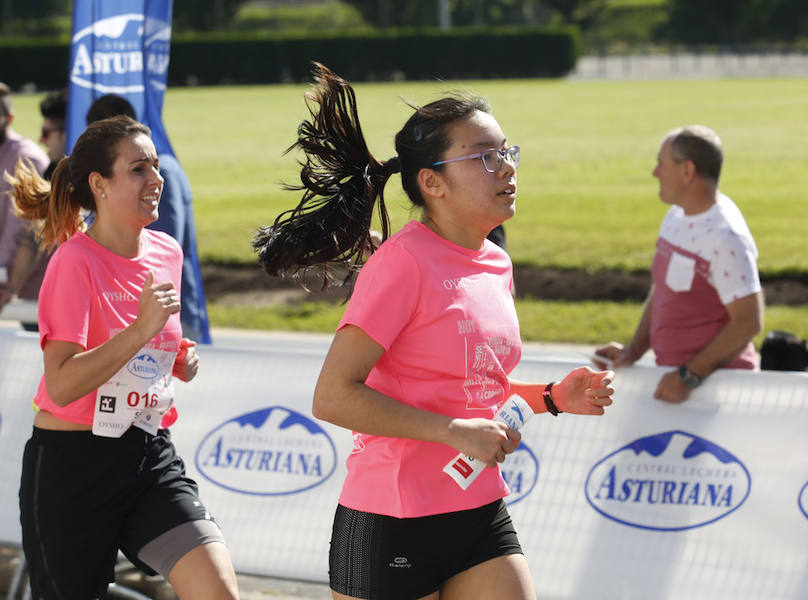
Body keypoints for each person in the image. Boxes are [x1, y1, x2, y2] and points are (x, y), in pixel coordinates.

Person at [254, 63, 615, 600]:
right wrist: (451, 432)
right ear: (433, 182)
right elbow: (332, 397)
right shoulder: (401, 264)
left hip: (476, 510)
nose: (507, 169)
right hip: (390, 518)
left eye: (508, 153)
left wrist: (551, 397)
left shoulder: (495, 262)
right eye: (485, 158)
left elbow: (471, 391)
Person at [7, 115, 238, 599]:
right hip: (72, 468)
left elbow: (156, 342)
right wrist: (140, 331)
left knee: (217, 589)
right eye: (139, 168)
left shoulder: (166, 252)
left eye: (155, 166)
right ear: (100, 184)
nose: (157, 178)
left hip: (147, 452)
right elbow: (63, 384)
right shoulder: (73, 262)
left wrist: (176, 357)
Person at [594, 125, 763, 403]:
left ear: (687, 171)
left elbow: (748, 322)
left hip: (716, 394)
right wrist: (633, 350)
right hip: (677, 387)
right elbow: (663, 290)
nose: (655, 172)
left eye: (662, 164)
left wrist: (689, 375)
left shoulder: (726, 237)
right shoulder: (676, 216)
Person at [86, 93, 212, 343]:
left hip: (172, 318)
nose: (156, 179)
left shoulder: (162, 174)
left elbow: (158, 254)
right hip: (140, 320)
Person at [0, 90, 68, 323]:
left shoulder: (33, 160)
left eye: (46, 132)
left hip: (49, 299)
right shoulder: (53, 168)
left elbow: (31, 233)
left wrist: (10, 287)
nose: (42, 140)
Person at [0, 82, 50, 310]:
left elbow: (20, 228)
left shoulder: (28, 159)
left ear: (9, 118)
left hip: (30, 291)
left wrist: (6, 281)